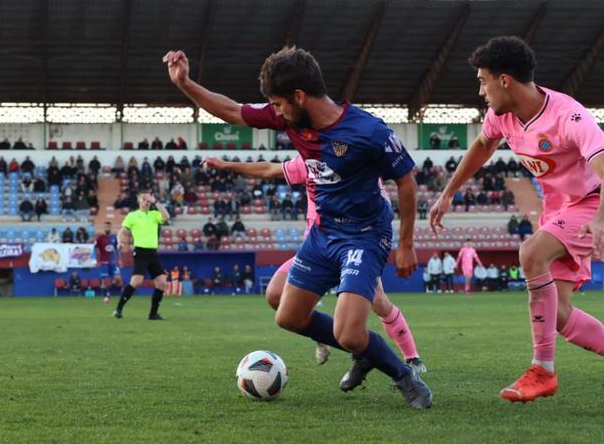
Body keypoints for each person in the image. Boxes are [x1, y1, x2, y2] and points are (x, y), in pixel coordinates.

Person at [168, 45, 431, 408]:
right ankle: (369, 352)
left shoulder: (368, 131)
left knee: (350, 334)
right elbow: (230, 111)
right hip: (323, 233)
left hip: (364, 236)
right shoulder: (289, 119)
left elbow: (406, 181)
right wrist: (185, 83)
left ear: (299, 96)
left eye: (277, 103)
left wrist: (406, 243)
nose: (274, 112)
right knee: (288, 316)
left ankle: (404, 375)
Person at [429, 36, 604, 407]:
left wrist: (603, 219)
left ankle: (543, 370)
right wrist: (448, 192)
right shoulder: (501, 116)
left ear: (504, 80)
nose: (481, 91)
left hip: (591, 207)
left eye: (482, 80)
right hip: (559, 211)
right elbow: (481, 147)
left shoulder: (568, 115)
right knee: (558, 314)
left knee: (531, 254)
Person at [206, 155, 428, 373]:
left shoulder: (359, 159)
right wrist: (228, 165)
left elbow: (394, 189)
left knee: (379, 302)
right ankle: (326, 337)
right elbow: (270, 169)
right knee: (276, 295)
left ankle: (412, 358)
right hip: (316, 250)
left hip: (354, 245)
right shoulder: (312, 160)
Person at [113, 190, 170, 320]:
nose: (146, 202)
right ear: (138, 201)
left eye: (147, 199)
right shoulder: (132, 216)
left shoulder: (155, 214)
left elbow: (166, 217)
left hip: (153, 253)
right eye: (143, 199)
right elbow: (122, 231)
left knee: (162, 283)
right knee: (136, 282)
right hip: (140, 252)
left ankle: (153, 314)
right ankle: (118, 309)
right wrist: (120, 241)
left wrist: (155, 201)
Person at [95, 222, 122, 286]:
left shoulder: (114, 237)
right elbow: (95, 249)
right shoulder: (100, 238)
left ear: (111, 228)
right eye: (106, 227)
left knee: (118, 279)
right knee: (104, 282)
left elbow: (118, 249)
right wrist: (96, 260)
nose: (107, 228)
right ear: (104, 228)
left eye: (108, 227)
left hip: (113, 262)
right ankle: (106, 295)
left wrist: (120, 259)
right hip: (104, 262)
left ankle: (111, 286)